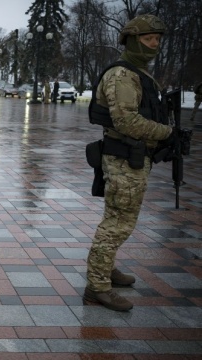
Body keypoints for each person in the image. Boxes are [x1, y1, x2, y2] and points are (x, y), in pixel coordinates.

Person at [84, 14, 173, 311]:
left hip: (131, 157)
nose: (154, 45)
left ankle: (105, 269)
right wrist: (166, 133)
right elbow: (126, 121)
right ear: (132, 40)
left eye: (157, 40)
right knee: (117, 224)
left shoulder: (138, 73)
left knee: (119, 219)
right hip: (124, 157)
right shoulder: (122, 75)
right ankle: (97, 287)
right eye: (149, 39)